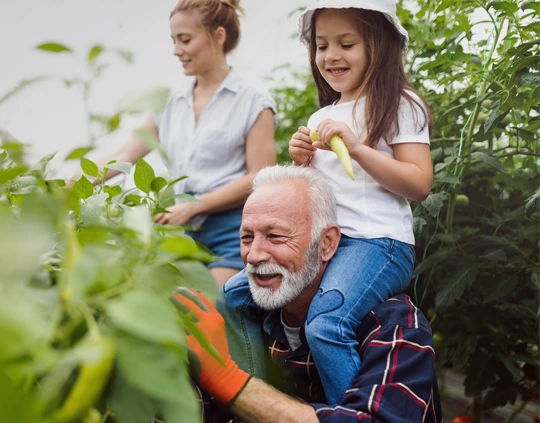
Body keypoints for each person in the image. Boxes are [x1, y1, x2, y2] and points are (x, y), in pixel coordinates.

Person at [220, 0, 433, 404]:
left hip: (378, 244)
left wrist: (358, 148)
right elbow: (318, 196)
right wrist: (302, 161)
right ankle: (254, 395)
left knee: (326, 324)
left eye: (346, 44)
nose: (331, 55)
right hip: (327, 243)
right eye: (321, 46)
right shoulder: (324, 117)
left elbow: (419, 184)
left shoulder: (401, 104)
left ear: (379, 44)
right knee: (233, 296)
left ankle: (353, 412)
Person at [176, 164, 443, 422]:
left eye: (276, 236)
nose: (254, 255)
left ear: (326, 244)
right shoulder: (241, 319)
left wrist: (229, 381)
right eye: (247, 238)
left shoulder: (395, 329)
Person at [69, 0, 276, 286]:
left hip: (235, 230)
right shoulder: (170, 103)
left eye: (185, 40)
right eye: (174, 40)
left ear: (218, 36)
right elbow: (126, 154)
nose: (177, 50)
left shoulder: (253, 102)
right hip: (182, 228)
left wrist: (196, 205)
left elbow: (261, 177)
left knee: (213, 306)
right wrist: (67, 188)